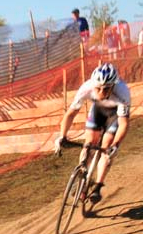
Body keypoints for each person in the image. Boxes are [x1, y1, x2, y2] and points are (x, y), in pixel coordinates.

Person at [55, 62, 131, 208]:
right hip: (98, 112)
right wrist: (61, 136)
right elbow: (70, 114)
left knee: (107, 146)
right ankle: (82, 175)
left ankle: (98, 185)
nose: (101, 92)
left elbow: (123, 124)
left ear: (114, 85)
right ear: (93, 84)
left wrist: (116, 145)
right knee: (89, 143)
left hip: (115, 115)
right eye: (98, 88)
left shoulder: (122, 92)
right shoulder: (86, 88)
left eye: (106, 89)